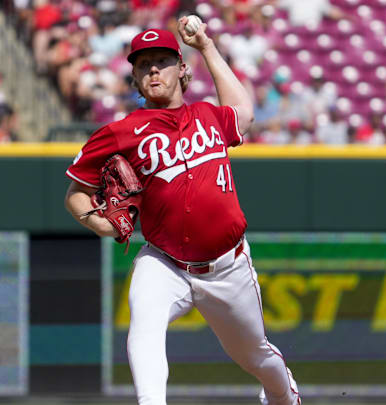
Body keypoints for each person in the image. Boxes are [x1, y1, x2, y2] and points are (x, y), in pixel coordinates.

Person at [64, 19, 301, 405]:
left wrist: (206, 45)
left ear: (182, 69)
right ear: (135, 79)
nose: (153, 70)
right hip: (165, 261)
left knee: (254, 354)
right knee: (143, 323)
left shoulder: (209, 116)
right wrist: (100, 224)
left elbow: (244, 112)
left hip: (227, 267)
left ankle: (283, 393)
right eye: (143, 65)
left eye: (162, 61)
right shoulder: (120, 133)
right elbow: (76, 193)